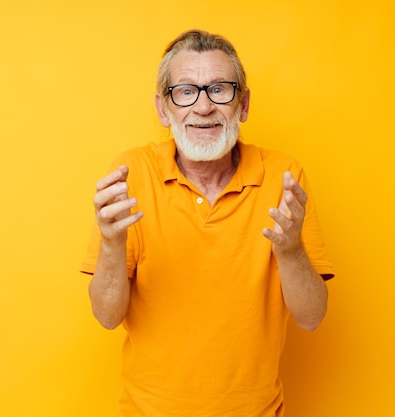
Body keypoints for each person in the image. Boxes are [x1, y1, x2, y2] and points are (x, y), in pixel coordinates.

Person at [81, 29, 334, 417]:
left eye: (220, 89)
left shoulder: (283, 176)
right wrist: (112, 245)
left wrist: (290, 249)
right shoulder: (132, 173)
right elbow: (107, 316)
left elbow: (312, 317)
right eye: (186, 91)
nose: (203, 107)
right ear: (164, 109)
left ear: (244, 104)